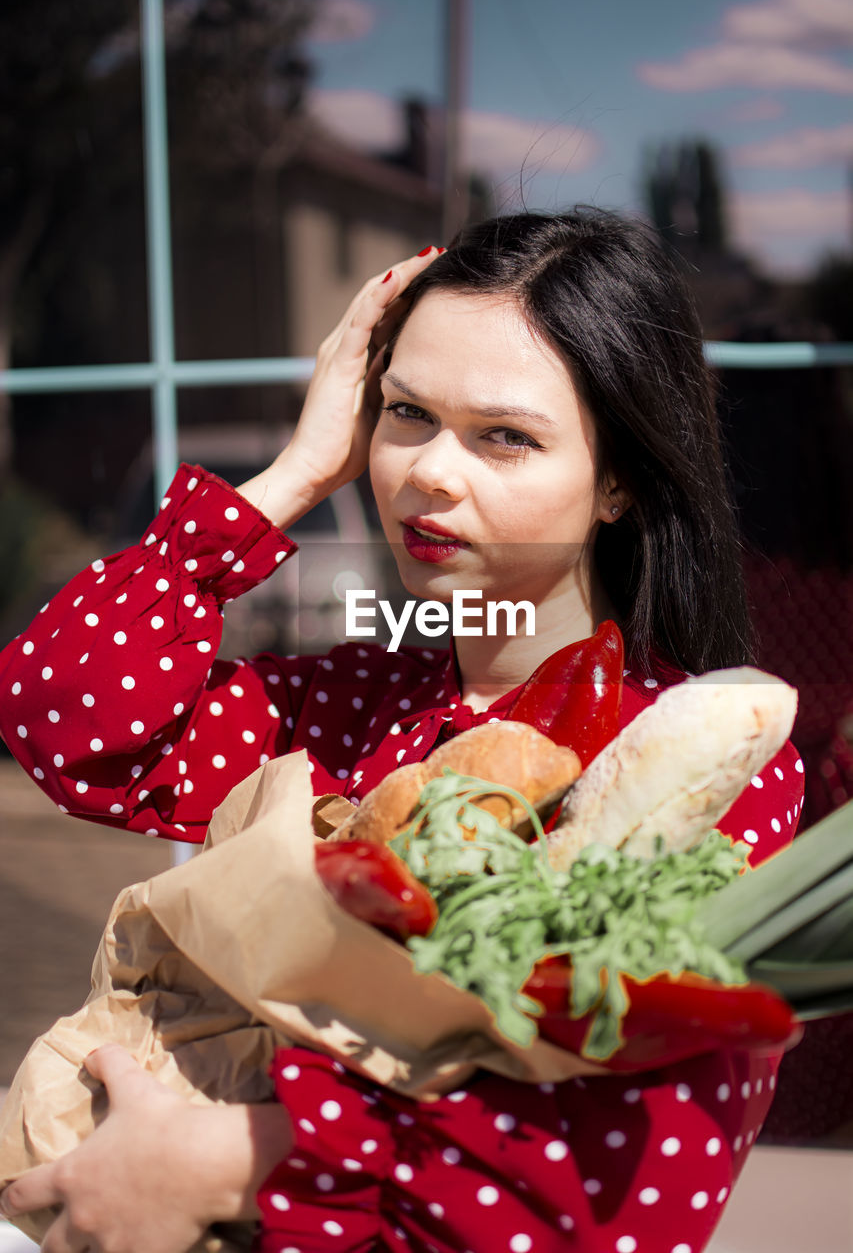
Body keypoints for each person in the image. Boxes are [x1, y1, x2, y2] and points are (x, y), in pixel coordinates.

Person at [0, 208, 804, 1253]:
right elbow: (63, 717)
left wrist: (220, 1161)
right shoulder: (351, 707)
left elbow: (622, 1174)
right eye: (406, 413)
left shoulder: (699, 754)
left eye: (503, 435)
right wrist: (295, 472)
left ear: (618, 481)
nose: (427, 471)